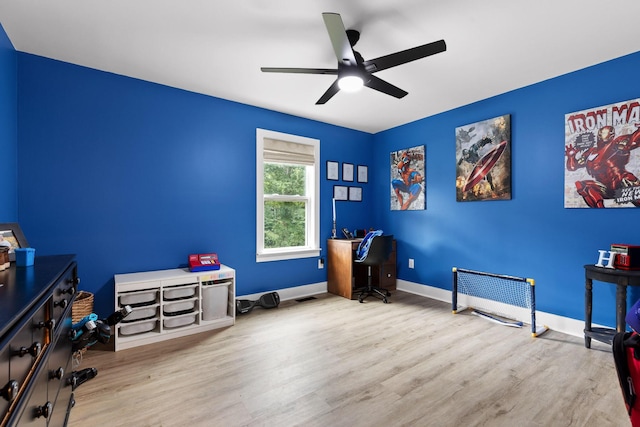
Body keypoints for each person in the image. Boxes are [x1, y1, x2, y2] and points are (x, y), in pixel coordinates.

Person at [565, 125, 640, 207]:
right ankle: (600, 211)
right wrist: (571, 157)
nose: (602, 134)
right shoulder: (590, 152)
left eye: (605, 132)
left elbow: (633, 140)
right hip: (606, 189)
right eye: (601, 132)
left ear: (611, 135)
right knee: (581, 185)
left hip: (621, 182)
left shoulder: (615, 143)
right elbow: (572, 167)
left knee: (627, 181)